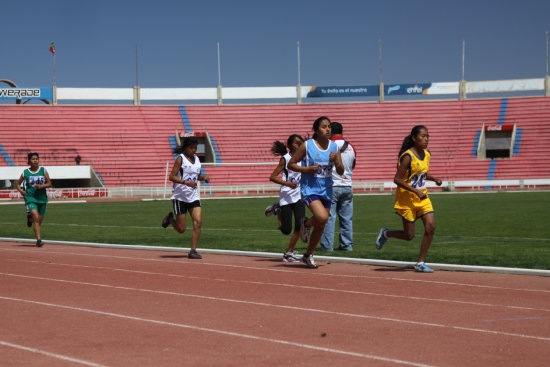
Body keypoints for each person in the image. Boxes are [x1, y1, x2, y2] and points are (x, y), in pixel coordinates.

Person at [375, 125, 442, 273]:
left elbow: (420, 174)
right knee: (409, 235)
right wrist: (415, 191)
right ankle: (386, 233)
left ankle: (420, 263)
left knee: (431, 227)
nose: (426, 139)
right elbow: (397, 179)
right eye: (423, 136)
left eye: (427, 136)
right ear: (414, 138)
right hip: (407, 200)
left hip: (422, 198)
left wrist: (434, 178)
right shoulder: (407, 156)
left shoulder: (427, 154)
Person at [288, 116, 344, 268]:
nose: (328, 129)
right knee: (322, 216)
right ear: (316, 130)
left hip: (326, 189)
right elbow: (291, 164)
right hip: (310, 189)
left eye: (329, 126)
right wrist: (306, 169)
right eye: (324, 126)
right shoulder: (307, 146)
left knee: (321, 224)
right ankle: (306, 223)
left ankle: (308, 255)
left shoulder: (334, 147)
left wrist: (336, 161)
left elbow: (341, 170)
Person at [161, 136, 210, 259]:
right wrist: (187, 183)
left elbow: (196, 174)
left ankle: (193, 251)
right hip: (180, 197)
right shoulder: (180, 159)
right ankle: (170, 219)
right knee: (181, 229)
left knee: (198, 222)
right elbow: (171, 177)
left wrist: (203, 178)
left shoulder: (197, 159)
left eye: (195, 148)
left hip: (193, 197)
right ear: (186, 148)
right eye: (191, 148)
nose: (194, 150)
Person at [266, 134, 306, 262]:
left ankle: (289, 252)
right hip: (286, 195)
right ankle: (277, 210)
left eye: (301, 142)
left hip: (299, 195)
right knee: (286, 230)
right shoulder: (286, 158)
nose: (299, 144)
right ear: (289, 145)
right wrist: (288, 184)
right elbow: (272, 177)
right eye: (296, 143)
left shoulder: (305, 157)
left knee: (300, 224)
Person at [320, 122, 356, 252]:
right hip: (347, 185)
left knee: (329, 217)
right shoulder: (351, 146)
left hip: (332, 185)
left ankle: (327, 246)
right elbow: (353, 165)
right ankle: (346, 245)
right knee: (347, 218)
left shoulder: (330, 146)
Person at [16, 152, 52, 247]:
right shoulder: (25, 172)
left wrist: (41, 186)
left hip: (42, 198)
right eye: (33, 159)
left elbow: (49, 183)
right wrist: (21, 191)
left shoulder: (43, 170)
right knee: (36, 218)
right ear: (29, 161)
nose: (35, 161)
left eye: (36, 159)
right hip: (30, 197)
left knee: (39, 221)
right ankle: (39, 240)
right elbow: (18, 184)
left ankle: (29, 217)